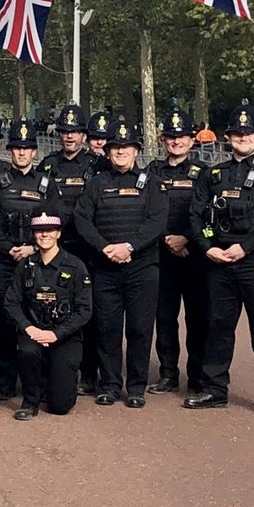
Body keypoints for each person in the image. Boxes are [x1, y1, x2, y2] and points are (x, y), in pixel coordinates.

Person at [186, 100, 254, 420]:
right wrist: (206, 248)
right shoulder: (214, 174)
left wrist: (245, 248)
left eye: (248, 133)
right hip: (219, 263)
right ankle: (215, 389)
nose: (242, 137)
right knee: (217, 328)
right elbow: (196, 214)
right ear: (227, 138)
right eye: (236, 133)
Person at [73, 117, 168, 407]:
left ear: (136, 150)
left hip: (142, 267)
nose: (120, 152)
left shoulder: (152, 184)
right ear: (107, 151)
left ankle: (136, 387)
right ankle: (110, 384)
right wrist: (104, 247)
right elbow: (81, 218)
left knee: (139, 329)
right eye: (115, 147)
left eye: (126, 147)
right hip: (105, 267)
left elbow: (156, 221)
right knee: (107, 328)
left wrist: (129, 246)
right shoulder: (96, 183)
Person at [0, 116, 61, 400]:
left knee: (38, 316)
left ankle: (38, 381)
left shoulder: (46, 183)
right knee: (5, 321)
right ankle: (4, 382)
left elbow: (54, 221)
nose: (22, 152)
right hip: (5, 261)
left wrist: (32, 248)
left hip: (37, 262)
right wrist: (9, 249)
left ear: (35, 151)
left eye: (27, 148)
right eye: (16, 147)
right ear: (9, 150)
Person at [5, 213, 93, 420]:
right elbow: (11, 303)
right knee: (27, 352)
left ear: (58, 233)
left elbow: (84, 310)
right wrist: (29, 328)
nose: (44, 234)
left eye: (50, 230)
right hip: (34, 332)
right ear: (33, 234)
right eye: (39, 231)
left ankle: (60, 380)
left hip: (64, 336)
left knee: (60, 406)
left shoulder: (75, 266)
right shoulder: (25, 266)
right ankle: (30, 400)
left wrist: (56, 334)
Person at [150, 107, 207, 395]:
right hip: (161, 256)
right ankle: (168, 373)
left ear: (192, 140)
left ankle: (197, 376)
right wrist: (166, 238)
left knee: (197, 319)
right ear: (163, 140)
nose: (176, 141)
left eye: (182, 136)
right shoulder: (151, 172)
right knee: (164, 318)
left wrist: (186, 239)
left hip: (194, 257)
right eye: (171, 137)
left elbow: (207, 215)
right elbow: (143, 212)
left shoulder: (204, 174)